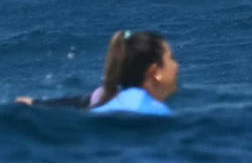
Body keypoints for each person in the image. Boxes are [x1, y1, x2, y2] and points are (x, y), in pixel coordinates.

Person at [15, 30, 179, 116]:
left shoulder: (104, 97)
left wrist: (34, 103)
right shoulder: (153, 111)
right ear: (155, 72)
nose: (176, 66)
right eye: (171, 58)